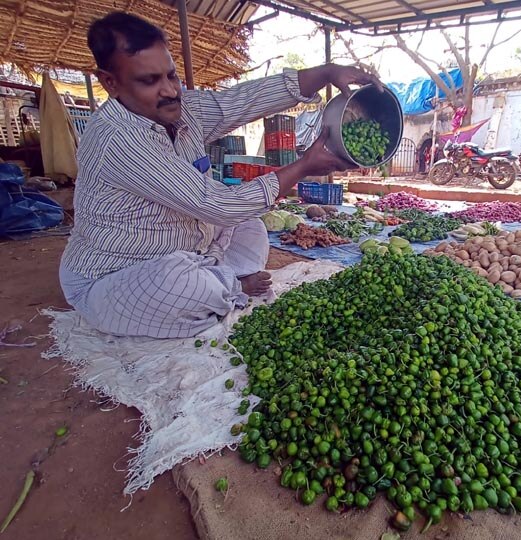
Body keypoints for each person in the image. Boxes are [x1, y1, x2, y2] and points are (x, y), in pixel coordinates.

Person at [59, 12, 380, 339]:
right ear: (110, 82)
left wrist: (324, 73)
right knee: (180, 284)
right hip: (118, 275)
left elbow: (239, 102)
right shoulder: (117, 139)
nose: (170, 90)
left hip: (192, 248)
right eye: (149, 81)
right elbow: (217, 206)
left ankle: (216, 278)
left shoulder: (179, 109)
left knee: (251, 226)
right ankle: (225, 285)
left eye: (171, 75)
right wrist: (301, 167)